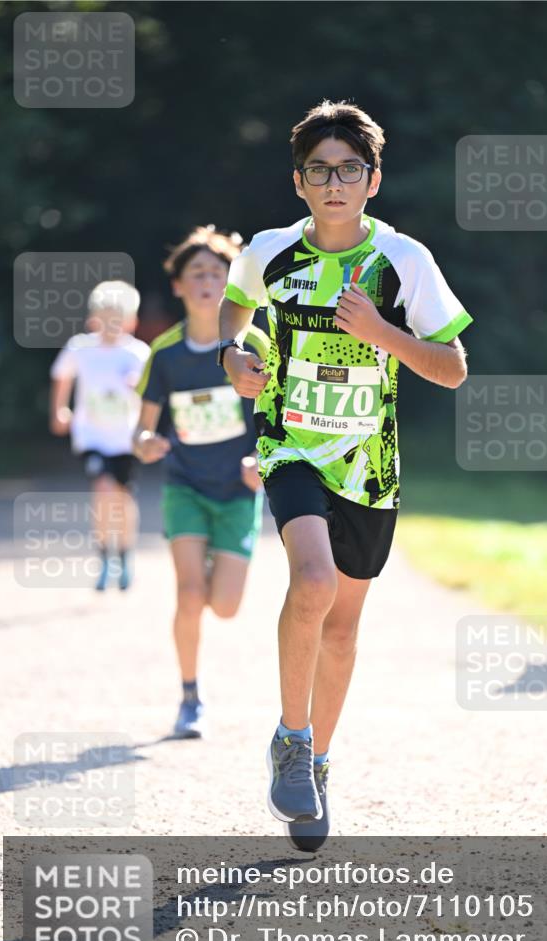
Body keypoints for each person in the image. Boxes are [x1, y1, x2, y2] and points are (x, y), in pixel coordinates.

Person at [220, 100, 473, 850]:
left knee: (341, 629)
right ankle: (291, 739)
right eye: (319, 171)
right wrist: (232, 360)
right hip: (290, 445)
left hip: (369, 466)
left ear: (373, 179)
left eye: (348, 170)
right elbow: (234, 319)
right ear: (299, 182)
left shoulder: (403, 261)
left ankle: (315, 762)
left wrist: (383, 334)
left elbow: (453, 370)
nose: (334, 184)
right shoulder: (267, 251)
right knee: (313, 582)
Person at [134, 226, 269, 739]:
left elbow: (280, 411)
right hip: (185, 485)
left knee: (226, 607)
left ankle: (217, 559)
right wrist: (146, 442)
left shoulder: (253, 341)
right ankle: (190, 695)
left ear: (232, 283)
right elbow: (144, 427)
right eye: (198, 273)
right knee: (189, 594)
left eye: (218, 272)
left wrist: (262, 456)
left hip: (238, 491)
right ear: (179, 286)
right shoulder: (164, 354)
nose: (209, 281)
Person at [50, 281, 149, 591]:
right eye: (105, 317)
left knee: (123, 498)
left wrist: (139, 388)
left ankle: (125, 553)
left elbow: (154, 395)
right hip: (92, 437)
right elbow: (61, 376)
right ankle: (105, 557)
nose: (112, 325)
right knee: (103, 490)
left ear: (132, 321)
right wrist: (59, 410)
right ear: (92, 319)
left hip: (126, 439)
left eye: (119, 318)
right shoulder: (80, 348)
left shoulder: (138, 353)